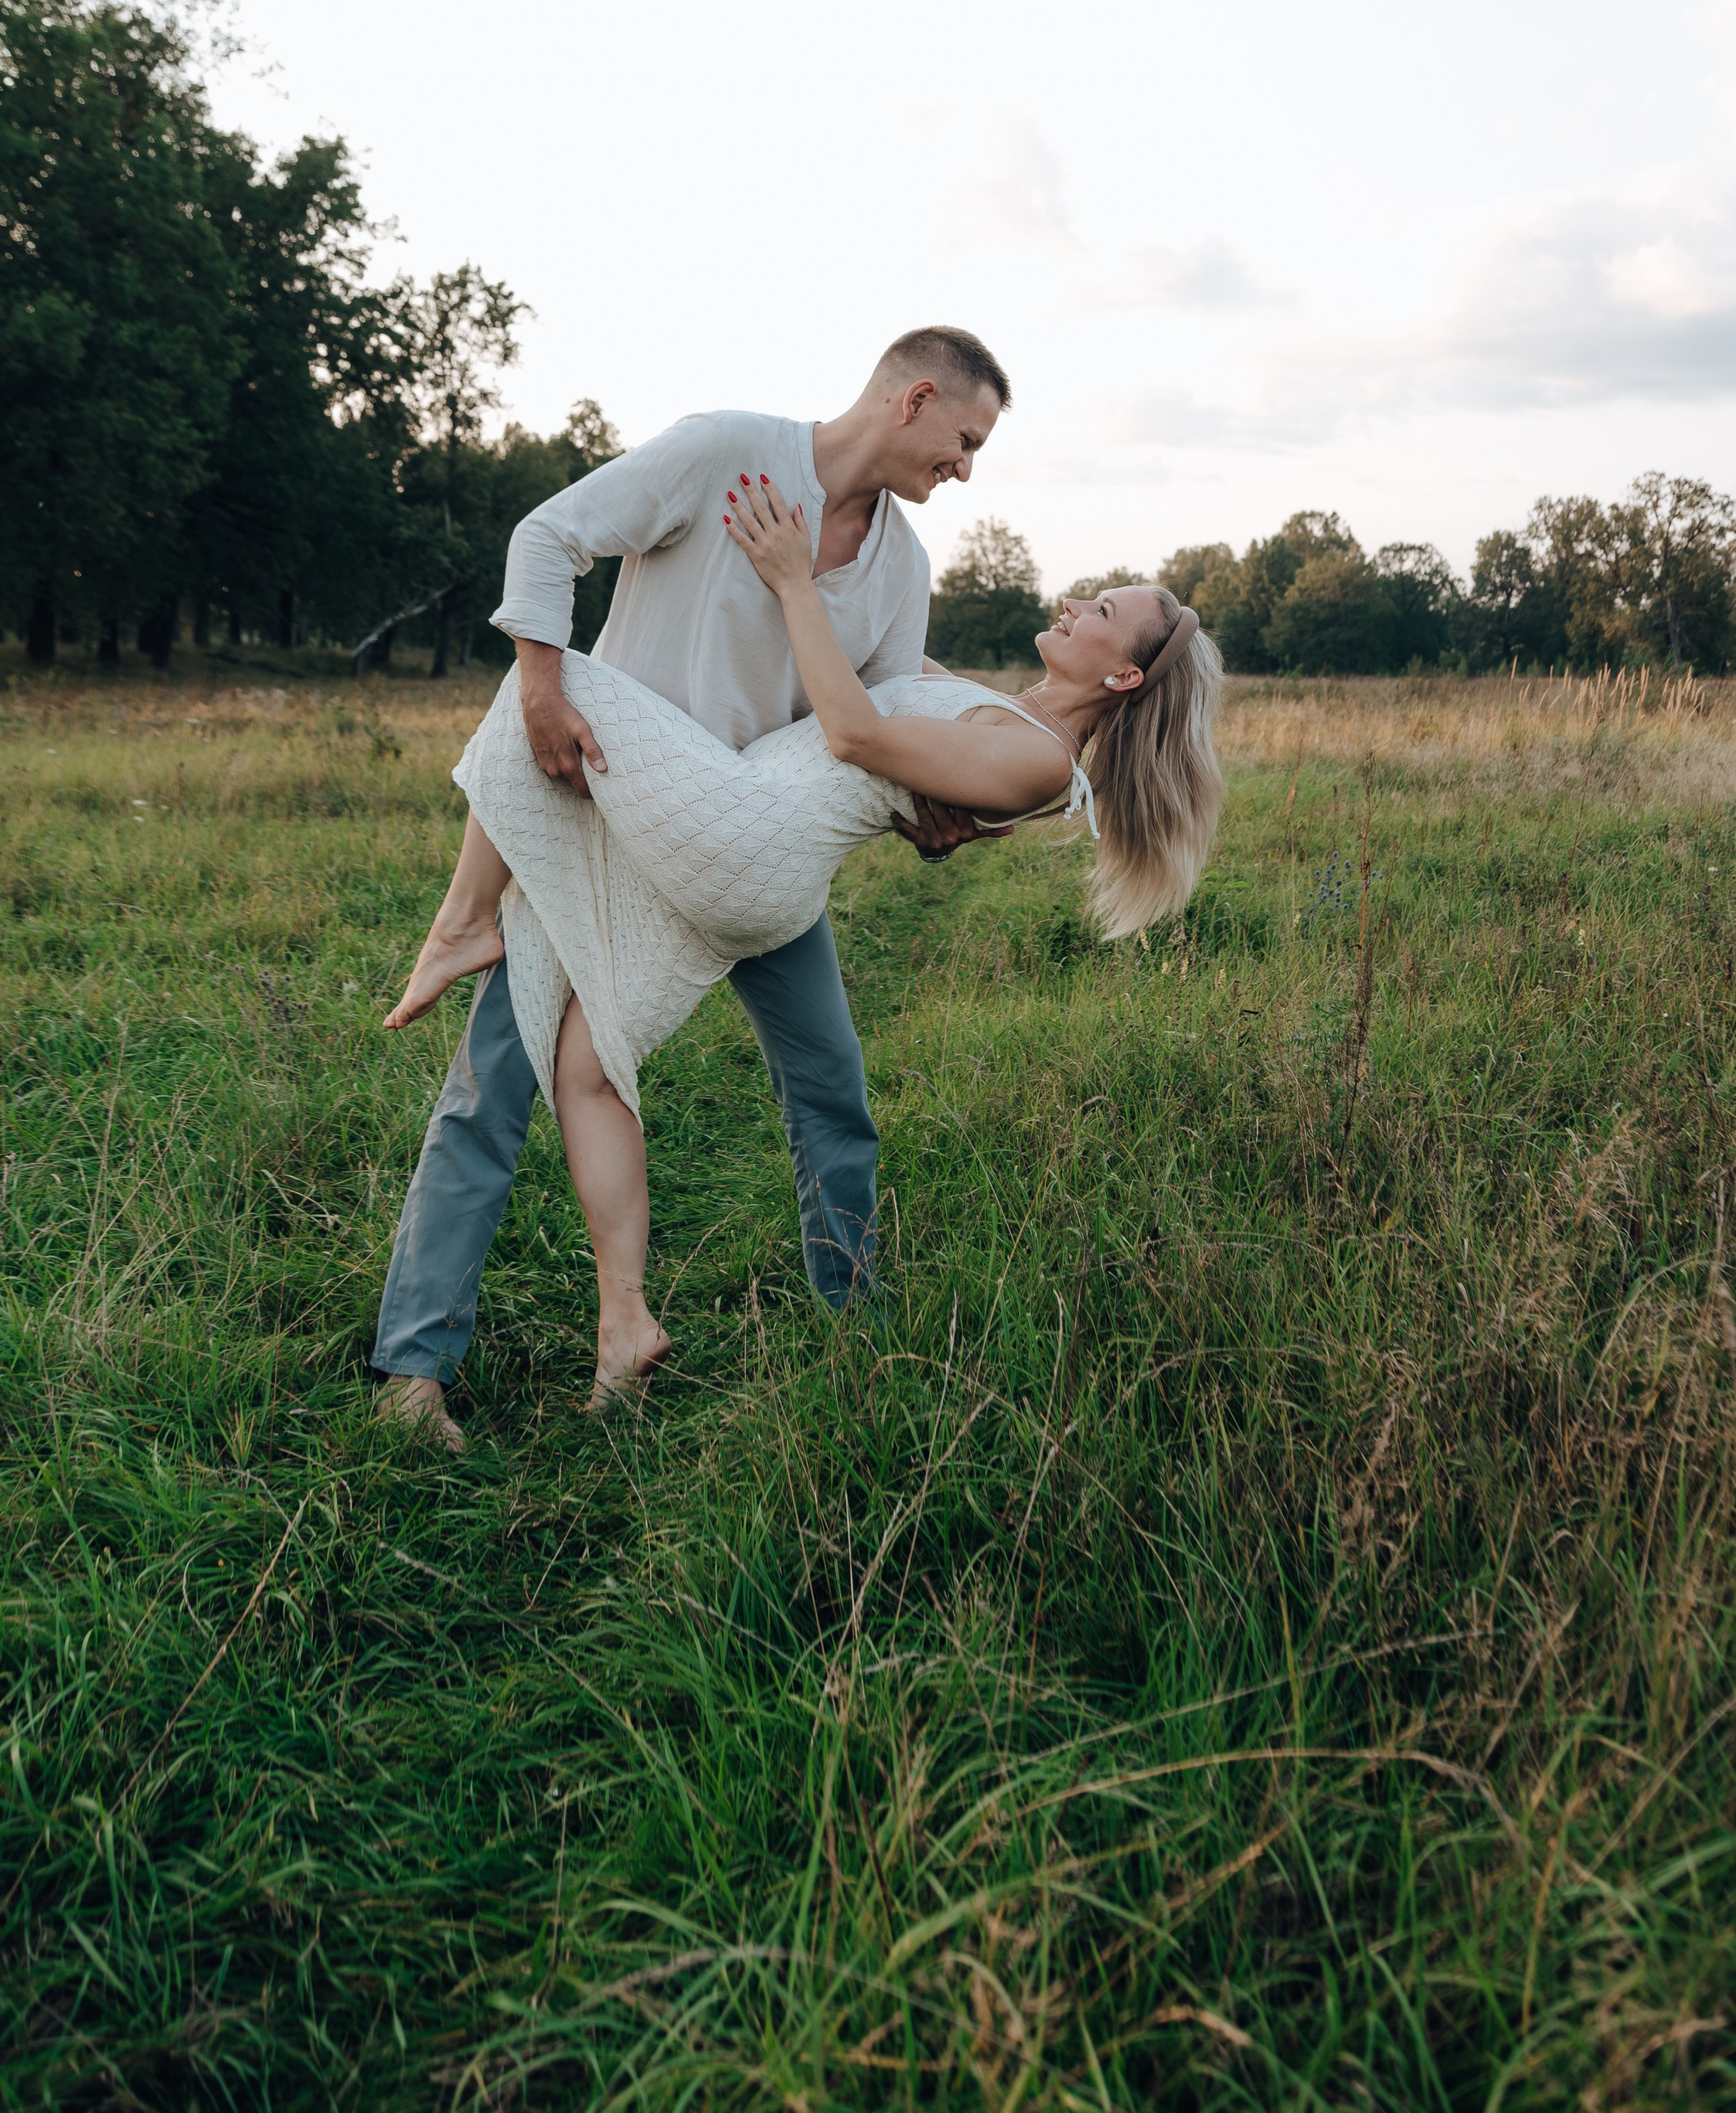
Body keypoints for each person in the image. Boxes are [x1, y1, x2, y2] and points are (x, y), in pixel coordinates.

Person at [390, 470, 1223, 1414]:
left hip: (745, 833)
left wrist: (793, 578)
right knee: (585, 1063)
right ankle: (625, 1326)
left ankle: (464, 920)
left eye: (1103, 607)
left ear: (1123, 675)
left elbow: (857, 728)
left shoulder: (1040, 755)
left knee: (552, 674)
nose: (1077, 601)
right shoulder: (1006, 709)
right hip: (750, 861)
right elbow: (892, 694)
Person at [371, 327, 1011, 1449]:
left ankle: (859, 1339)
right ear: (914, 399)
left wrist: (933, 812)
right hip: (605, 826)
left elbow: (873, 721)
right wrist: (538, 690)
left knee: (833, 1093)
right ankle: (413, 1375)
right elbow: (547, 535)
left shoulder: (900, 568)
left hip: (752, 845)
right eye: (964, 441)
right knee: (493, 1086)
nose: (965, 469)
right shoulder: (725, 454)